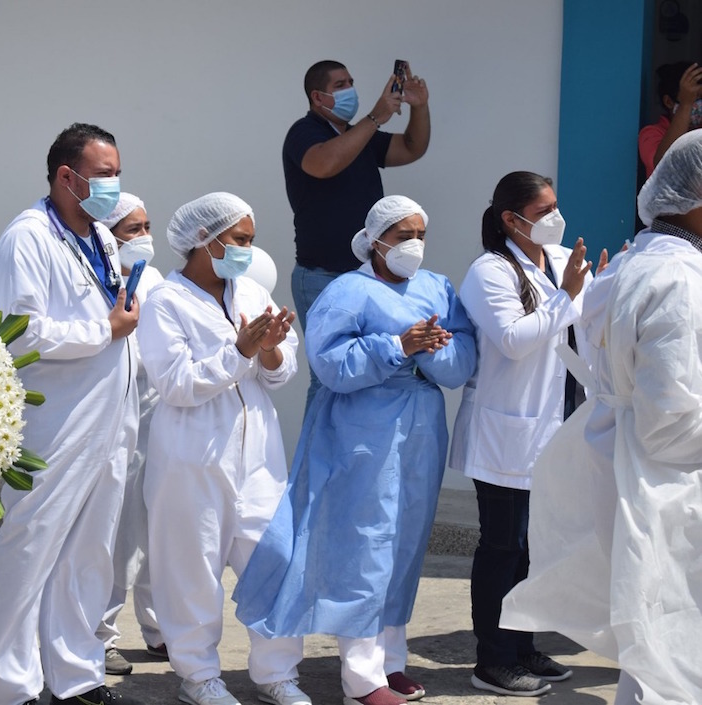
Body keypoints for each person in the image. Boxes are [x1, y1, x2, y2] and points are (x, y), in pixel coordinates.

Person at [235, 196, 477, 705]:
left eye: (420, 234)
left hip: (421, 429)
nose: (414, 244)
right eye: (403, 234)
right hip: (363, 431)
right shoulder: (348, 292)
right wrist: (398, 347)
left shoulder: (436, 287)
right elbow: (331, 366)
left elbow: (459, 363)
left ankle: (391, 662)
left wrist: (428, 351)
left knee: (406, 545)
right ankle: (362, 680)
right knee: (366, 545)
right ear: (376, 240)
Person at [502, 131, 702, 705]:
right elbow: (670, 422)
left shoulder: (635, 263)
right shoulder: (681, 282)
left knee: (655, 644)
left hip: (630, 470)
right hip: (668, 484)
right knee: (673, 652)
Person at [0, 123, 140, 705]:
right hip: (55, 419)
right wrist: (105, 329)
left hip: (110, 416)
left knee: (90, 551)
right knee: (31, 548)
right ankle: (12, 685)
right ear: (65, 177)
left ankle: (76, 676)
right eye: (103, 174)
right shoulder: (27, 238)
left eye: (117, 172)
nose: (113, 184)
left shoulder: (100, 235)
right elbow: (20, 334)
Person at [137, 192, 309, 705]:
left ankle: (278, 673)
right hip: (192, 456)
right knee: (192, 568)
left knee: (274, 559)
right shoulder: (165, 302)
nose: (247, 250)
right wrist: (239, 351)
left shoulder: (253, 291)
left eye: (250, 240)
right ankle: (199, 677)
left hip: (258, 455)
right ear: (202, 240)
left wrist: (272, 348)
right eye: (238, 240)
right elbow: (176, 385)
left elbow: (281, 374)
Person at [450, 171, 602, 697]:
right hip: (507, 433)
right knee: (502, 546)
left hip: (556, 425)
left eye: (556, 206)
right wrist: (569, 299)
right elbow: (515, 340)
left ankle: (523, 646)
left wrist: (599, 289)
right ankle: (492, 659)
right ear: (510, 219)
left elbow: (584, 315)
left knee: (535, 547)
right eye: (543, 211)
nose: (555, 218)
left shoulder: (558, 262)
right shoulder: (488, 272)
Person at [285, 59, 431, 409]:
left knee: (370, 368)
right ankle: (315, 462)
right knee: (328, 376)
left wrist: (420, 108)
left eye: (351, 80)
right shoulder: (304, 133)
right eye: (340, 84)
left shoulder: (358, 135)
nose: (350, 88)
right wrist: (376, 117)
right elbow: (323, 164)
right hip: (323, 275)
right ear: (318, 97)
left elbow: (412, 147)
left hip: (368, 276)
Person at [95, 193, 166, 676]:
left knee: (160, 531)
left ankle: (163, 630)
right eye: (131, 228)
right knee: (115, 537)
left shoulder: (157, 281)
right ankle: (99, 636)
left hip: (158, 420)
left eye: (146, 226)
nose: (142, 237)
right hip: (112, 420)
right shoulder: (96, 282)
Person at [638, 61, 702, 177]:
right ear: (668, 102)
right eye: (695, 98)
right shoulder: (651, 134)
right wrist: (686, 105)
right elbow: (664, 164)